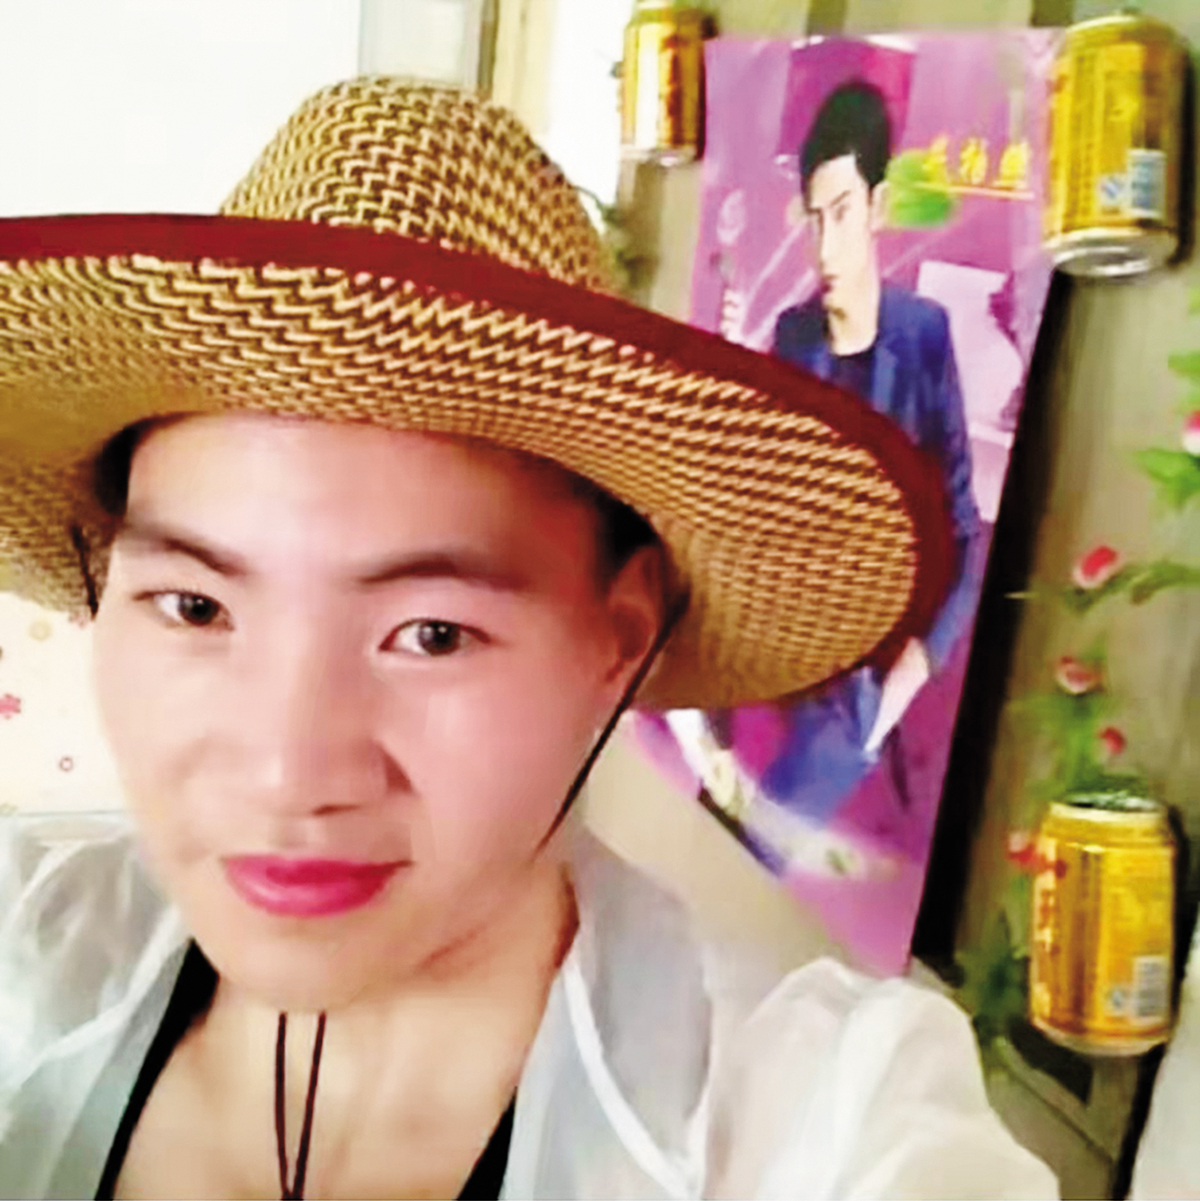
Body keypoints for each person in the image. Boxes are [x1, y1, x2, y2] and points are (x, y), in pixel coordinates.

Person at [0, 80, 1054, 1199]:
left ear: (619, 640)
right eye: (195, 608)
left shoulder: (802, 1124)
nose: (286, 775)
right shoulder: (30, 954)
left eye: (431, 633)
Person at [764, 79, 983, 822]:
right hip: (796, 646)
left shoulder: (922, 336)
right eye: (814, 219)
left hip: (880, 669)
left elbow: (963, 528)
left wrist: (912, 670)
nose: (826, 246)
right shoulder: (793, 338)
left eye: (843, 213)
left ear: (879, 208)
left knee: (771, 823)